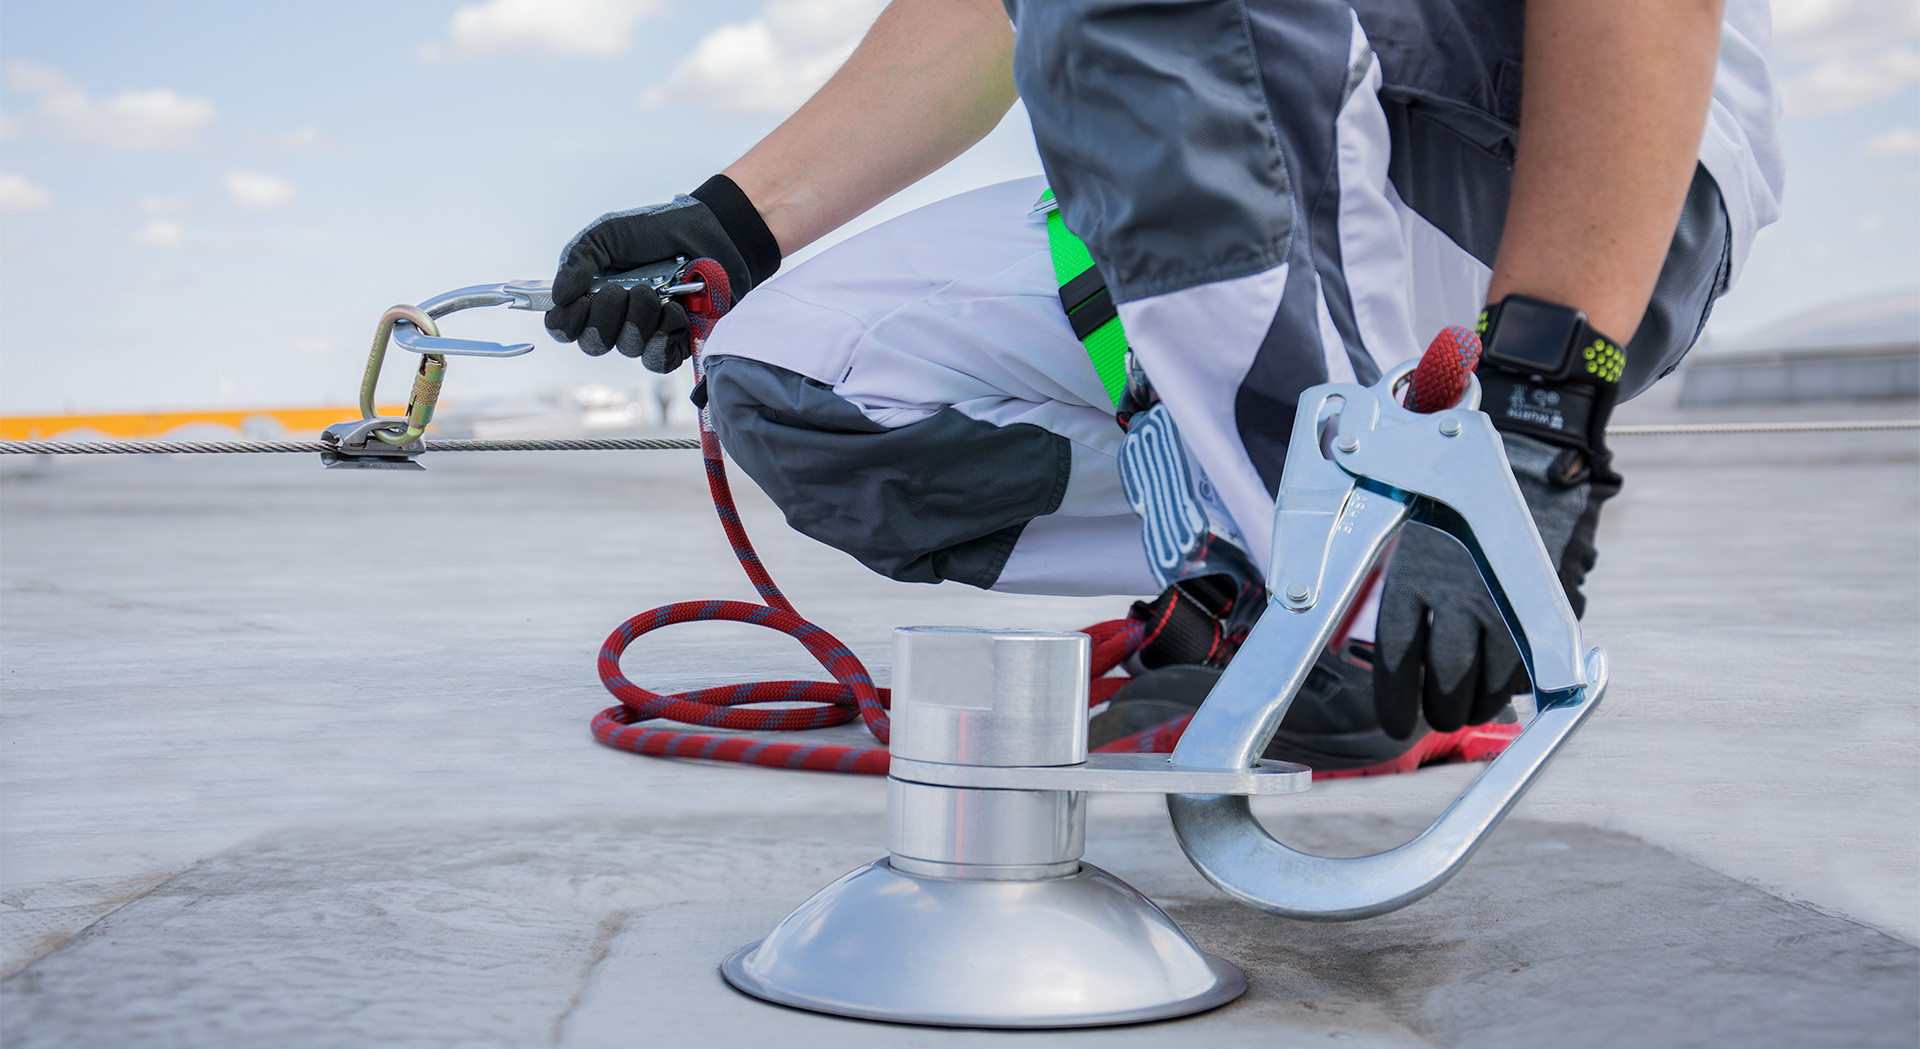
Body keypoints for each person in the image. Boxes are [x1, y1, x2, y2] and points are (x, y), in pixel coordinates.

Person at [543, 0, 1782, 771]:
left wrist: (1542, 392)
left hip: (1555, 185)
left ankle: (1353, 598)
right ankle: (1248, 554)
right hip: (1259, 138)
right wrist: (733, 224)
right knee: (796, 372)